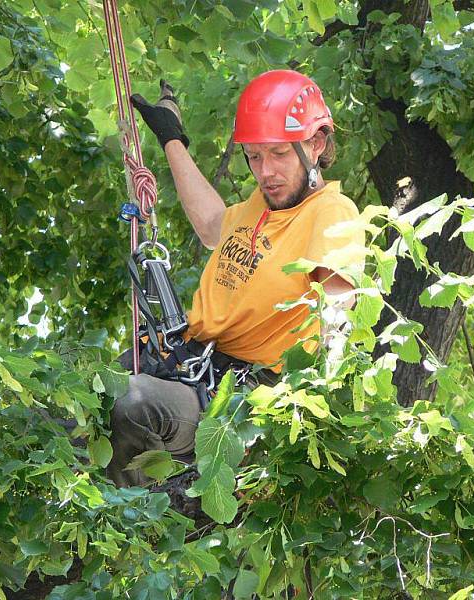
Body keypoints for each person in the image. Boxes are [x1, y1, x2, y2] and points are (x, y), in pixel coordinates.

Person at [107, 70, 362, 487]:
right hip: (187, 363)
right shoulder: (257, 206)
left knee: (132, 405)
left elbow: (336, 307)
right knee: (84, 403)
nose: (266, 171)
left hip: (236, 397)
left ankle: (114, 522)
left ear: (315, 144)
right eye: (255, 157)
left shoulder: (331, 212)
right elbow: (211, 225)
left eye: (279, 154)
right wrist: (171, 137)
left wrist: (321, 398)